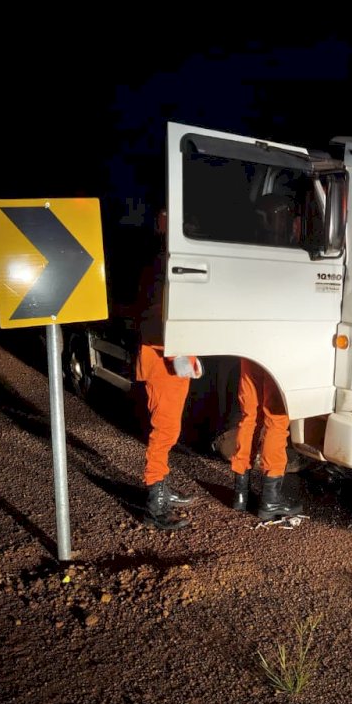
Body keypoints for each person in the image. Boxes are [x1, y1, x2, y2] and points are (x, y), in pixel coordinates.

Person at [135, 209, 202, 531]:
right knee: (164, 431)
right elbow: (153, 314)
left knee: (169, 429)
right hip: (162, 355)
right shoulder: (161, 263)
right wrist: (175, 348)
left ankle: (160, 485)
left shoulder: (162, 260)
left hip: (170, 353)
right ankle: (154, 503)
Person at [229, 359, 302, 521]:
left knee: (249, 417)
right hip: (277, 351)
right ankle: (270, 500)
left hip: (250, 350)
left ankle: (241, 495)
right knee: (276, 420)